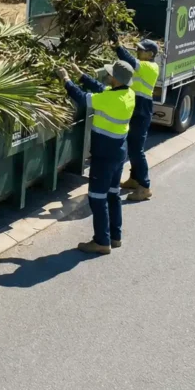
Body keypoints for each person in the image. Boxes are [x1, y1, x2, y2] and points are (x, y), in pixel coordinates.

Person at [55, 60, 136, 255]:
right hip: (119, 151)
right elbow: (101, 88)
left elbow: (83, 98)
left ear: (116, 79)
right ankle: (115, 237)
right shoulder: (128, 94)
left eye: (110, 74)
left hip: (104, 155)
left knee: (97, 198)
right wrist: (80, 75)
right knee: (113, 194)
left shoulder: (111, 99)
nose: (107, 76)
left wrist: (66, 79)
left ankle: (101, 242)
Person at [113, 38, 160, 202]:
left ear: (151, 54)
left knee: (137, 149)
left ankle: (145, 187)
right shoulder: (144, 64)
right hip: (136, 105)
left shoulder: (150, 67)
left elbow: (129, 60)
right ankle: (134, 179)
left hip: (142, 107)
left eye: (141, 50)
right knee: (132, 146)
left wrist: (118, 46)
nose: (138, 51)